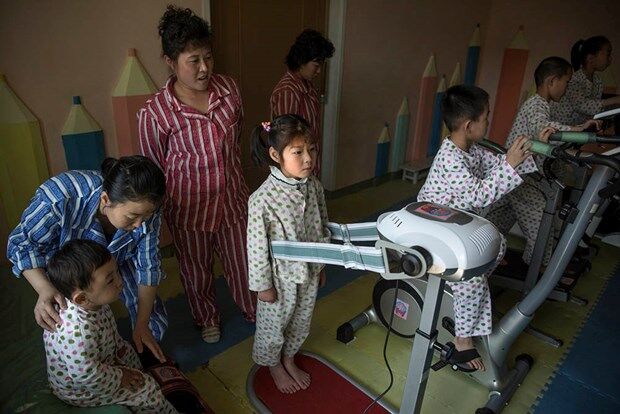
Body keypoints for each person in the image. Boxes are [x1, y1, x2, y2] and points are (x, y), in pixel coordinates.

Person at [139, 5, 256, 343]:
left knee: (244, 262)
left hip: (233, 201)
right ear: (170, 61)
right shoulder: (155, 113)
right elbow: (153, 167)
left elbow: (236, 138)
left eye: (208, 57)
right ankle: (207, 317)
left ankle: (254, 310)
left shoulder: (230, 90)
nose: (204, 68)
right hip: (188, 209)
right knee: (196, 270)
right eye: (193, 60)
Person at [7, 156, 168, 364]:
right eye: (132, 217)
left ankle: (135, 343)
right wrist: (44, 288)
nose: (139, 225)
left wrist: (142, 323)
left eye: (145, 218)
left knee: (151, 323)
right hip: (66, 263)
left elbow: (148, 266)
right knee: (71, 324)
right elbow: (21, 245)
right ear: (105, 200)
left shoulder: (147, 208)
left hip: (117, 257)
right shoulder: (59, 197)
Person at [417, 85, 533, 371]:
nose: (489, 122)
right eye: (486, 117)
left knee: (498, 242)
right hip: (433, 226)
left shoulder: (472, 150)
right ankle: (463, 340)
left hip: (455, 224)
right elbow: (479, 195)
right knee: (472, 278)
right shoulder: (450, 158)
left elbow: (501, 165)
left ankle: (462, 294)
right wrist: (509, 165)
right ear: (469, 126)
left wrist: (530, 149)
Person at [488, 57, 600, 275]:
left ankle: (489, 252)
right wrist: (578, 130)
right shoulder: (536, 104)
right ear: (552, 81)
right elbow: (543, 128)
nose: (567, 87)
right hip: (523, 176)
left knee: (499, 217)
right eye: (566, 82)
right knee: (542, 224)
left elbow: (547, 130)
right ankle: (539, 268)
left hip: (517, 175)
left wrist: (576, 131)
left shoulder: (544, 105)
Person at [43, 239, 176, 413]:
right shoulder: (78, 332)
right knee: (146, 389)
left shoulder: (94, 302)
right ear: (82, 298)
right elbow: (84, 375)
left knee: (131, 354)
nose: (120, 281)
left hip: (103, 356)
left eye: (117, 272)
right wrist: (121, 377)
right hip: (81, 387)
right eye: (110, 280)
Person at [247, 114, 330, 393]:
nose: (308, 159)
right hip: (280, 279)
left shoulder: (314, 186)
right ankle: (273, 365)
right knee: (274, 327)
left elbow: (322, 225)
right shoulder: (262, 199)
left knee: (301, 321)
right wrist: (263, 286)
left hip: (309, 272)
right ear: (275, 155)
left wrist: (321, 266)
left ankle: (289, 358)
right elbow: (256, 247)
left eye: (312, 150)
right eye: (298, 152)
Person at [270, 29, 335, 177]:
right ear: (301, 60)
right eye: (316, 65)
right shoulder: (288, 91)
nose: (319, 71)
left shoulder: (307, 86)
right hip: (296, 170)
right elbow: (286, 140)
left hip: (308, 162)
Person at [551, 36, 620, 125]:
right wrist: (615, 100)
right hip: (561, 127)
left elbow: (594, 109)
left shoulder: (597, 81)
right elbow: (582, 105)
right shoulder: (574, 80)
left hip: (579, 127)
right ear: (590, 58)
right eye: (608, 54)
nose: (610, 59)